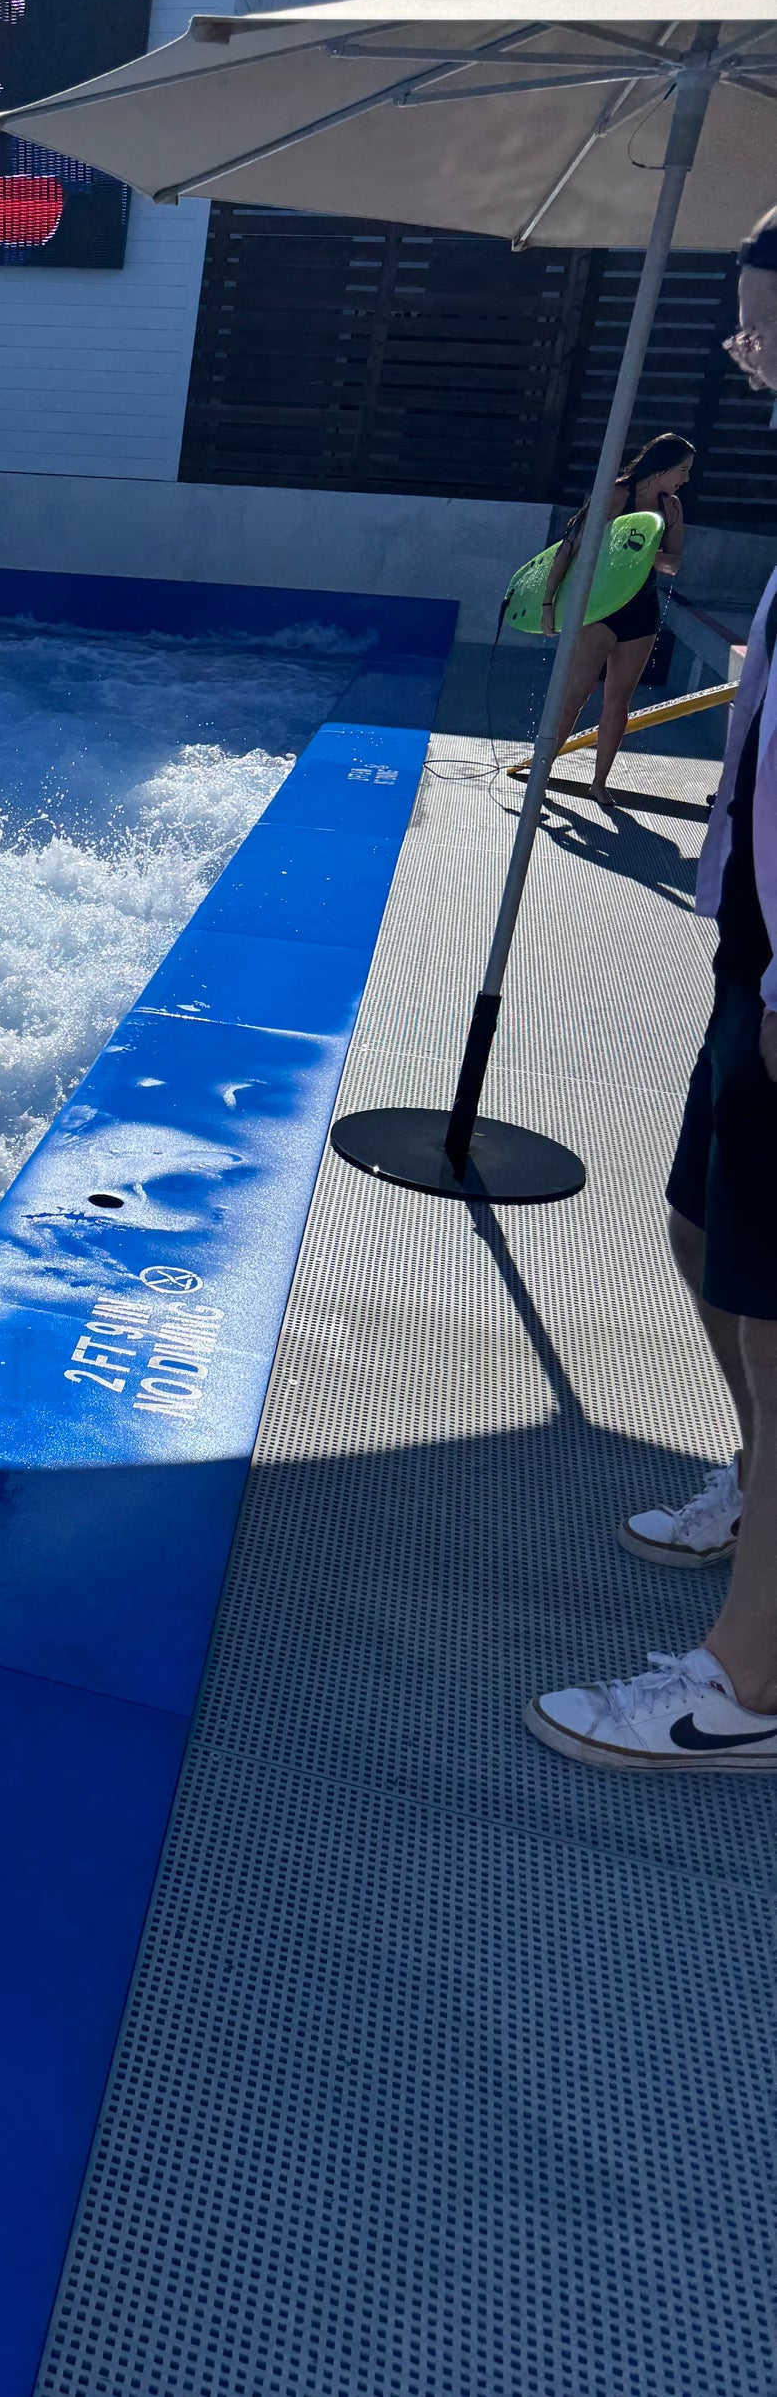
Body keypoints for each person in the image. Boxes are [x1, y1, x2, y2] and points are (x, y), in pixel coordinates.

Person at [527, 207, 777, 1771]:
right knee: (698, 1233)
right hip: (748, 947)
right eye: (746, 333)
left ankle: (743, 1688)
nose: (749, 362)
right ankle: (755, 1479)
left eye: (762, 329)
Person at [539, 431, 692, 803]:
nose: (686, 479)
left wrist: (644, 552)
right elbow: (571, 547)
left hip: (641, 609)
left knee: (618, 699)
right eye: (683, 470)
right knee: (576, 692)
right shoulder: (616, 495)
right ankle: (541, 771)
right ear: (663, 467)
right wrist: (548, 603)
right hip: (601, 606)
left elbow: (673, 564)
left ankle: (599, 782)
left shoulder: (671, 508)